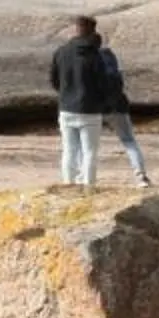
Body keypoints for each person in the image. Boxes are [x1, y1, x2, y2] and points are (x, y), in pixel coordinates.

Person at [47, 13, 116, 188]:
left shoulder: (61, 52)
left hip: (66, 107)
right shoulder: (95, 56)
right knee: (89, 151)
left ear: (75, 29)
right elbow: (103, 83)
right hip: (90, 110)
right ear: (93, 30)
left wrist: (65, 94)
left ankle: (68, 183)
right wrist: (104, 103)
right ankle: (88, 185)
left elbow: (54, 80)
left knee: (69, 150)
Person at [97, 36, 153, 187]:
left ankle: (83, 178)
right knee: (129, 141)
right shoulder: (110, 59)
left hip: (95, 109)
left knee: (87, 145)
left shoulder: (87, 60)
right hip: (118, 107)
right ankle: (141, 176)